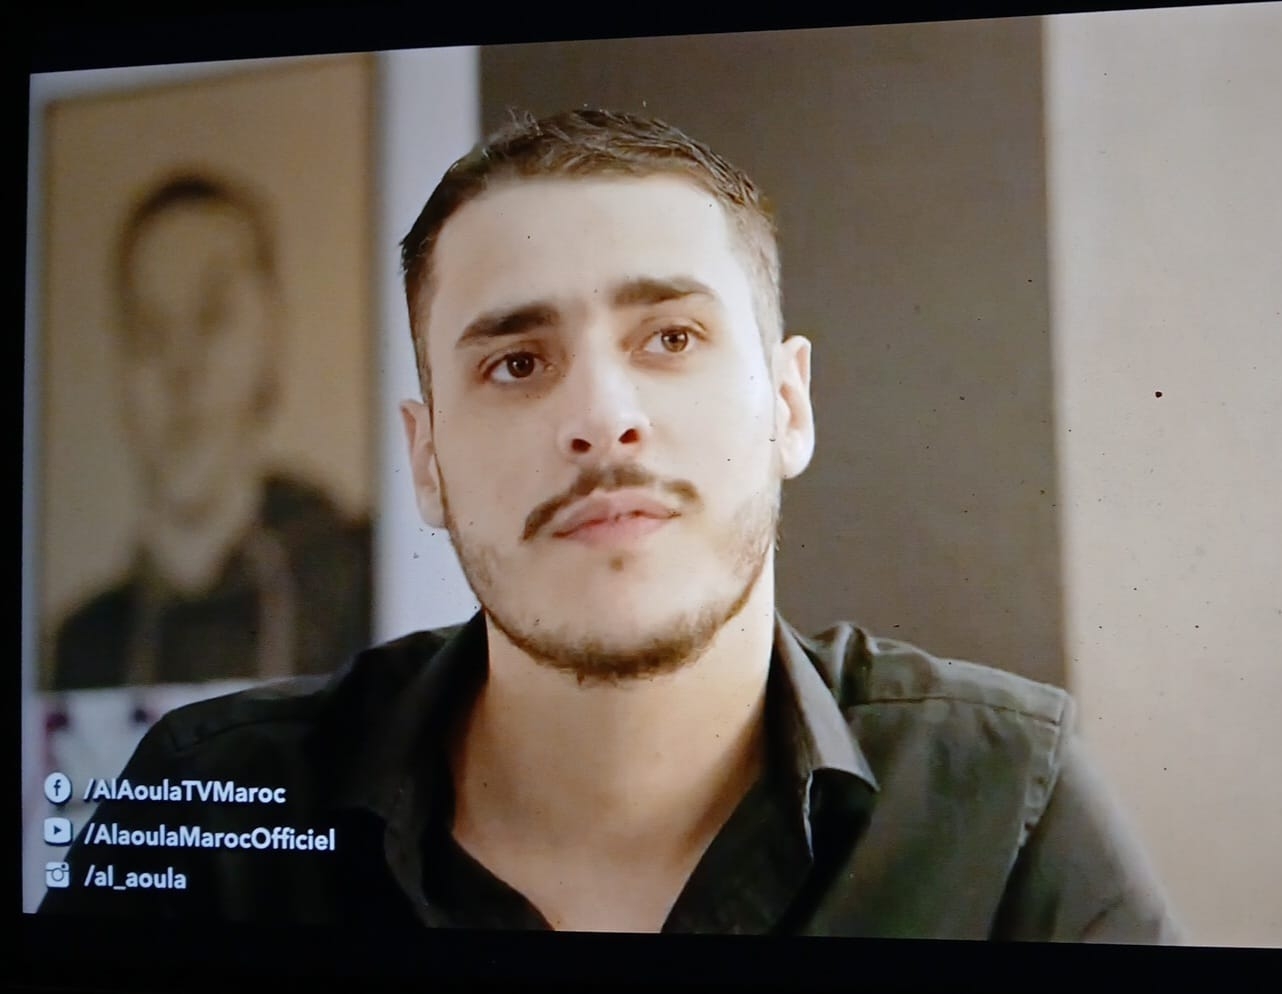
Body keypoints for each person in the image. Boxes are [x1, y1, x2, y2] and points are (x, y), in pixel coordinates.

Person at [37, 111, 1180, 940]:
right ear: (427, 461)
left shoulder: (1004, 804)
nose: (600, 416)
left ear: (788, 405)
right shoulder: (211, 807)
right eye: (517, 362)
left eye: (671, 339)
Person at [46, 173, 372, 690]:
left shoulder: (360, 578)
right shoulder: (81, 650)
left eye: (212, 317)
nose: (181, 370)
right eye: (150, 331)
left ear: (271, 335)